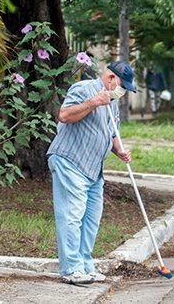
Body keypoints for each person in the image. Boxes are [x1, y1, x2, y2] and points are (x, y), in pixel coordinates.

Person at [46, 61, 136, 285]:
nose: (122, 91)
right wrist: (95, 101)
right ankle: (70, 269)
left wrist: (120, 151)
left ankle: (85, 265)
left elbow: (111, 133)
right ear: (111, 78)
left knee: (91, 219)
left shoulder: (112, 102)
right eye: (122, 86)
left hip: (94, 169)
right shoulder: (84, 89)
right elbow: (65, 115)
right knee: (72, 216)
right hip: (70, 161)